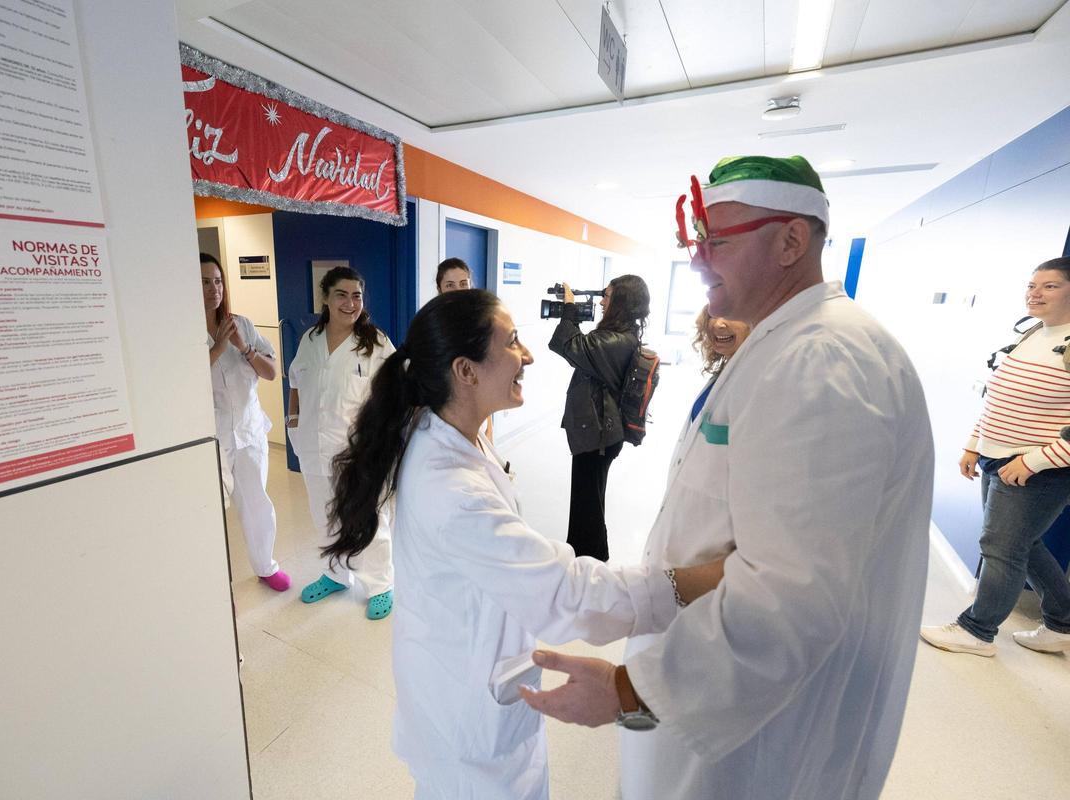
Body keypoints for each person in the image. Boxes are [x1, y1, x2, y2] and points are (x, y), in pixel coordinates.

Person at [521, 155, 935, 800]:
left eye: (717, 243)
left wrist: (627, 690)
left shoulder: (821, 360)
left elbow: (789, 597)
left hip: (764, 729)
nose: (697, 262)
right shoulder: (780, 343)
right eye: (695, 243)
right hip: (722, 679)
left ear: (791, 241)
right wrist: (642, 594)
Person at [323, 289, 725, 799]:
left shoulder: (448, 430)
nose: (528, 355)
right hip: (468, 727)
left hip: (459, 672)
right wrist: (692, 582)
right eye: (512, 341)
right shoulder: (452, 489)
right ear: (465, 371)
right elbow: (565, 591)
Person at [921, 256, 1070, 657]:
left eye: (1050, 286)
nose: (1034, 294)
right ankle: (1063, 623)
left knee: (1001, 548)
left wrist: (1033, 462)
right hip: (997, 457)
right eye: (1031, 285)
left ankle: (977, 631)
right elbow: (1000, 397)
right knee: (1024, 544)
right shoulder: (1034, 334)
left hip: (1036, 469)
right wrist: (975, 443)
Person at [287, 265, 396, 620]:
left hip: (357, 450)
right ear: (325, 298)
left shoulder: (375, 343)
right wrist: (293, 420)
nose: (350, 303)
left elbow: (395, 392)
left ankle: (380, 584)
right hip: (313, 446)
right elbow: (295, 382)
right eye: (341, 295)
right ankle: (335, 574)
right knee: (324, 515)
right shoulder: (310, 339)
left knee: (366, 518)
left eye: (356, 296)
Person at [201, 253, 290, 592]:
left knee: (257, 503)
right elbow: (184, 380)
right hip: (211, 437)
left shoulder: (243, 324)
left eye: (218, 281)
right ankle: (215, 586)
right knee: (209, 510)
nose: (214, 289)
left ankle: (265, 566)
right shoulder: (184, 330)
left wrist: (243, 347)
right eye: (204, 282)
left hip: (249, 432)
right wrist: (219, 347)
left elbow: (271, 372)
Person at [547, 274, 650, 561]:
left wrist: (570, 309)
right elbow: (579, 349)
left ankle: (589, 562)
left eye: (607, 296)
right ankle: (585, 558)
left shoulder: (615, 341)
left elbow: (567, 344)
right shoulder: (621, 336)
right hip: (600, 432)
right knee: (588, 502)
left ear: (620, 302)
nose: (602, 302)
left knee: (587, 506)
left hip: (598, 435)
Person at [436, 257, 494, 442]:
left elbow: (486, 376)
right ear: (440, 289)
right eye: (450, 285)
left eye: (463, 284)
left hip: (479, 415)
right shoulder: (432, 328)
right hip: (445, 420)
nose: (458, 291)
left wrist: (489, 427)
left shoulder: (481, 325)